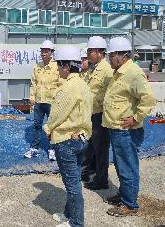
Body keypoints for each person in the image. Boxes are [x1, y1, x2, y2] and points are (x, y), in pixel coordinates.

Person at [102, 37, 156, 217]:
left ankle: (130, 205)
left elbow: (148, 100)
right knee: (120, 165)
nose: (109, 59)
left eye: (111, 56)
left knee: (128, 167)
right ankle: (125, 195)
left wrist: (135, 117)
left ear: (122, 55)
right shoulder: (118, 72)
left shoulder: (134, 73)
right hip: (116, 128)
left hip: (126, 131)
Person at [43, 46, 92, 227]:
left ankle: (76, 223)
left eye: (58, 65)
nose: (56, 69)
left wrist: (47, 129)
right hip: (81, 138)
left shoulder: (68, 87)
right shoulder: (83, 84)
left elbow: (57, 115)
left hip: (66, 141)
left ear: (65, 66)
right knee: (74, 180)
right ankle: (67, 214)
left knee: (72, 186)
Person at [81, 36, 114, 191]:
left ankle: (102, 180)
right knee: (91, 146)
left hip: (100, 114)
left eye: (90, 51)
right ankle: (91, 171)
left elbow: (105, 94)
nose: (88, 53)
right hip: (90, 113)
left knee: (101, 149)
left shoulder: (106, 70)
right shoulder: (91, 69)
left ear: (100, 53)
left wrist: (89, 100)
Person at [24, 40, 61, 161]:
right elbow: (33, 83)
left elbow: (61, 84)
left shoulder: (56, 67)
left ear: (51, 53)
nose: (43, 53)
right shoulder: (37, 67)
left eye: (46, 51)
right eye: (42, 51)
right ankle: (34, 148)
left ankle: (52, 149)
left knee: (52, 126)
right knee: (37, 125)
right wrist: (32, 97)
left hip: (52, 102)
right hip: (39, 101)